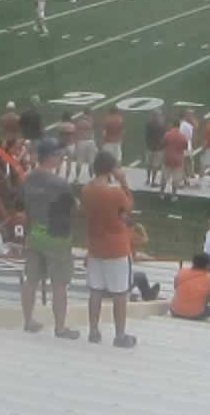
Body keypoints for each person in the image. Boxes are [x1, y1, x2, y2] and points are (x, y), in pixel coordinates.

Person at [20, 139, 81, 338]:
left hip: (35, 232)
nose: (62, 158)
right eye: (59, 155)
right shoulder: (60, 183)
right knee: (59, 284)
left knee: (31, 280)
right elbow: (72, 210)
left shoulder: (28, 178)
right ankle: (60, 327)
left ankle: (28, 321)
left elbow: (25, 205)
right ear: (52, 157)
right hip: (56, 237)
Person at [80, 151, 137, 348]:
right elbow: (128, 205)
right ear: (111, 169)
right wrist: (123, 181)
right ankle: (120, 335)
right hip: (116, 247)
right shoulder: (115, 192)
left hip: (95, 246)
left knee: (95, 291)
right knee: (120, 294)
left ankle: (94, 331)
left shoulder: (86, 189)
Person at [171, 252, 210, 321]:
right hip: (196, 315)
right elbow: (209, 299)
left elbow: (175, 287)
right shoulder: (209, 279)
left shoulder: (181, 272)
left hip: (175, 312)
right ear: (207, 265)